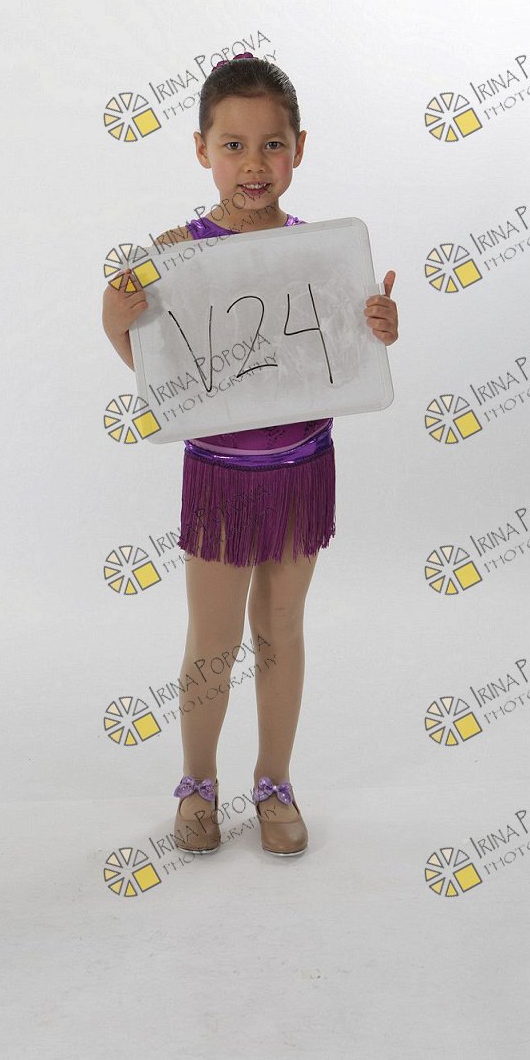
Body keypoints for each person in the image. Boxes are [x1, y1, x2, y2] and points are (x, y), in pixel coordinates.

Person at [102, 53, 398, 858]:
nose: (254, 164)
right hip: (221, 478)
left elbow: (345, 353)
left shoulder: (321, 254)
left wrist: (378, 326)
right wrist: (117, 313)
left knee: (281, 628)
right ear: (202, 149)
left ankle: (275, 781)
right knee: (214, 640)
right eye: (233, 146)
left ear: (299, 148)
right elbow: (156, 367)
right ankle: (198, 782)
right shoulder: (178, 253)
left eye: (272, 145)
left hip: (301, 469)